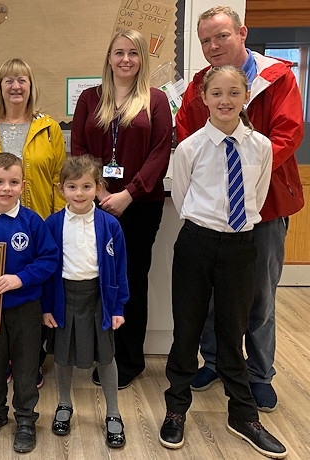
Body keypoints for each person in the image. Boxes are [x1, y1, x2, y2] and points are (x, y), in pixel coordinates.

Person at [176, 5, 304, 412]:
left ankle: (259, 373)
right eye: (206, 41)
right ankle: (214, 361)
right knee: (214, 298)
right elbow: (186, 139)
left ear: (242, 32)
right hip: (212, 213)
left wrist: (247, 171)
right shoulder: (200, 85)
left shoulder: (277, 77)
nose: (213, 46)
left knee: (260, 297)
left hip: (261, 209)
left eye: (221, 36)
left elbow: (288, 132)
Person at [161, 65, 287, 459]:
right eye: (216, 93)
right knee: (187, 329)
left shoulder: (261, 147)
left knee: (234, 331)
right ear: (204, 98)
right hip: (197, 244)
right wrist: (207, 229)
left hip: (239, 248)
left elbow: (260, 194)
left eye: (234, 93)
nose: (225, 101)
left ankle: (243, 415)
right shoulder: (191, 147)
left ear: (245, 96)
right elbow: (182, 198)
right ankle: (177, 408)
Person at [71, 29, 172, 389]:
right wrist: (97, 192)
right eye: (119, 53)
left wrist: (128, 193)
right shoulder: (89, 98)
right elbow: (79, 148)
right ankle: (101, 352)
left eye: (133, 53)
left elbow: (161, 152)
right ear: (109, 57)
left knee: (130, 280)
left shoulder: (156, 100)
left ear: (142, 59)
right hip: (94, 205)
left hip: (140, 206)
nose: (125, 59)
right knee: (97, 279)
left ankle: (130, 360)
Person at [0, 57, 66, 388]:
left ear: (31, 86)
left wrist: (60, 220)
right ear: (0, 87)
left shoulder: (49, 128)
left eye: (22, 80)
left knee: (34, 292)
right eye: (9, 80)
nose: (16, 86)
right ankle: (1, 360)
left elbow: (60, 179)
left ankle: (30, 362)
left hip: (40, 223)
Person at [0, 153, 59, 454]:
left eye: (13, 182)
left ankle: (26, 418)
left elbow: (49, 259)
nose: (6, 188)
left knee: (27, 366)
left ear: (23, 185)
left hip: (25, 307)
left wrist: (21, 278)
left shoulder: (32, 221)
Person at [42, 155, 129, 448]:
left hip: (99, 298)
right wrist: (46, 307)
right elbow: (45, 270)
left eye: (86, 186)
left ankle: (114, 413)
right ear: (61, 189)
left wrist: (117, 308)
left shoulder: (110, 225)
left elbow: (119, 270)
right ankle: (64, 405)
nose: (79, 193)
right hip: (64, 297)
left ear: (98, 187)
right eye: (72, 187)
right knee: (63, 355)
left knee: (105, 357)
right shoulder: (52, 224)